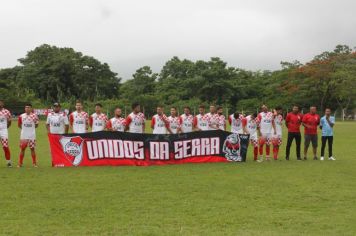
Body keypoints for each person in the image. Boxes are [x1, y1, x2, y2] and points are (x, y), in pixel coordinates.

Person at [0, 100, 12, 167]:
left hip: (3, 130)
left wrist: (6, 127)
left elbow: (9, 121)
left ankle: (8, 162)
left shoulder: (6, 111)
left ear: (3, 104)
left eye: (1, 103)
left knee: (5, 146)